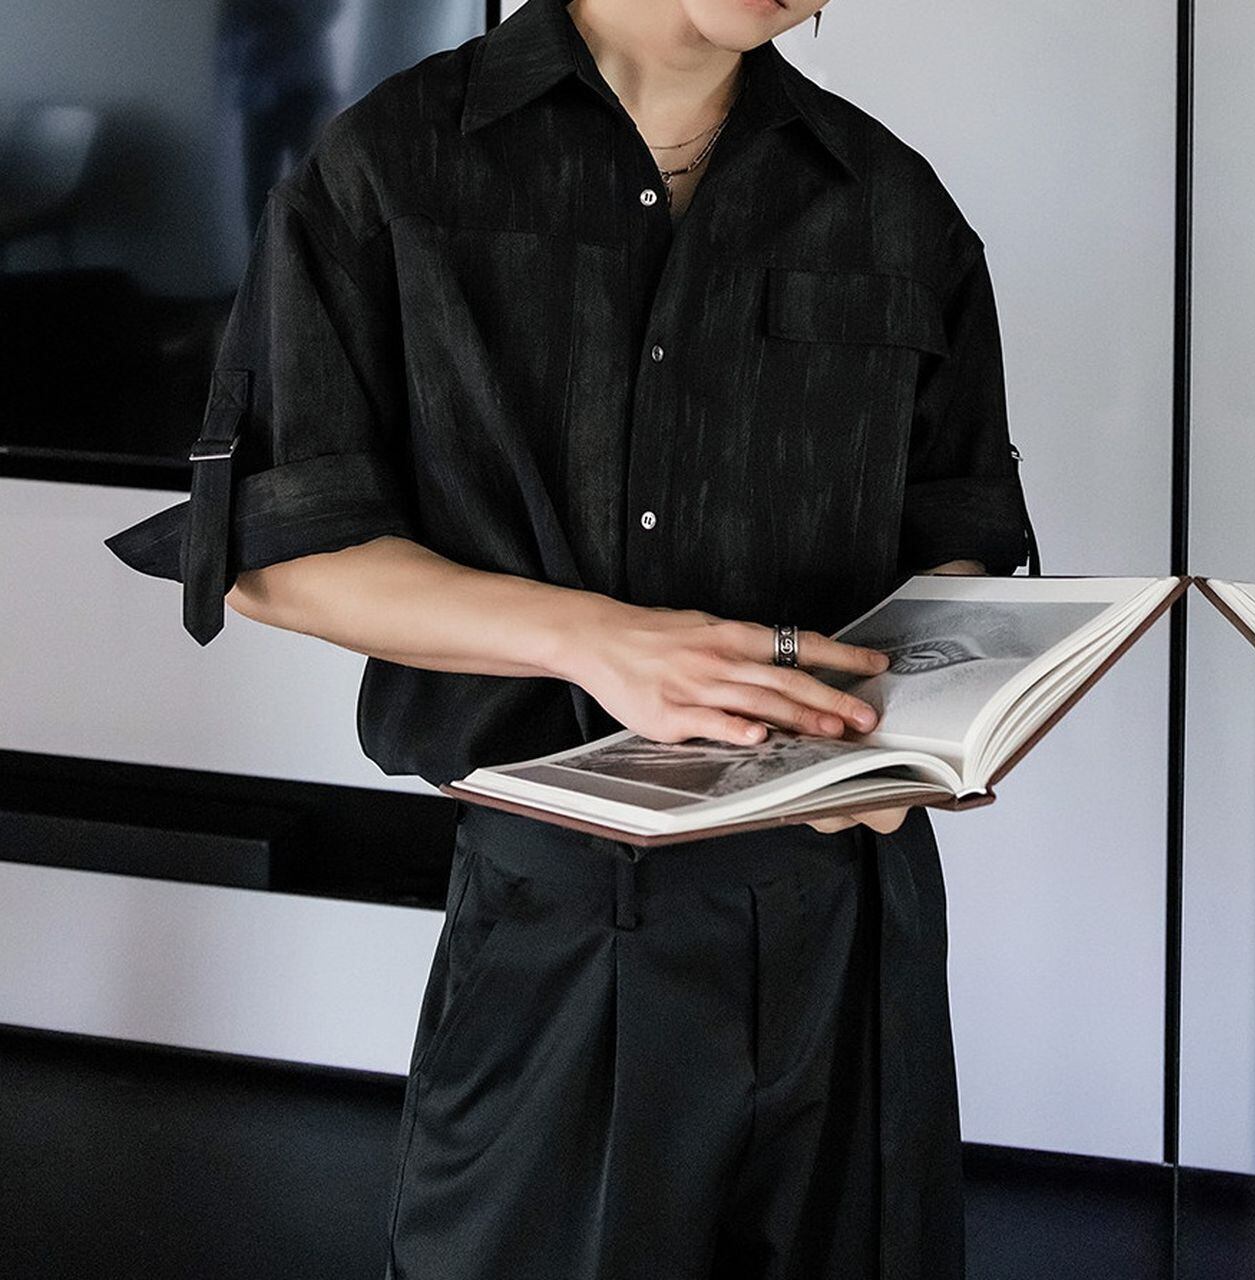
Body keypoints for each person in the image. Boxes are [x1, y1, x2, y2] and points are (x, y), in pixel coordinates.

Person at [103, 0, 1034, 1275]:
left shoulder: (891, 199)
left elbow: (957, 539)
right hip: (564, 909)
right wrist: (595, 640)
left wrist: (910, 733)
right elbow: (270, 550)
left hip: (851, 911)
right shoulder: (392, 164)